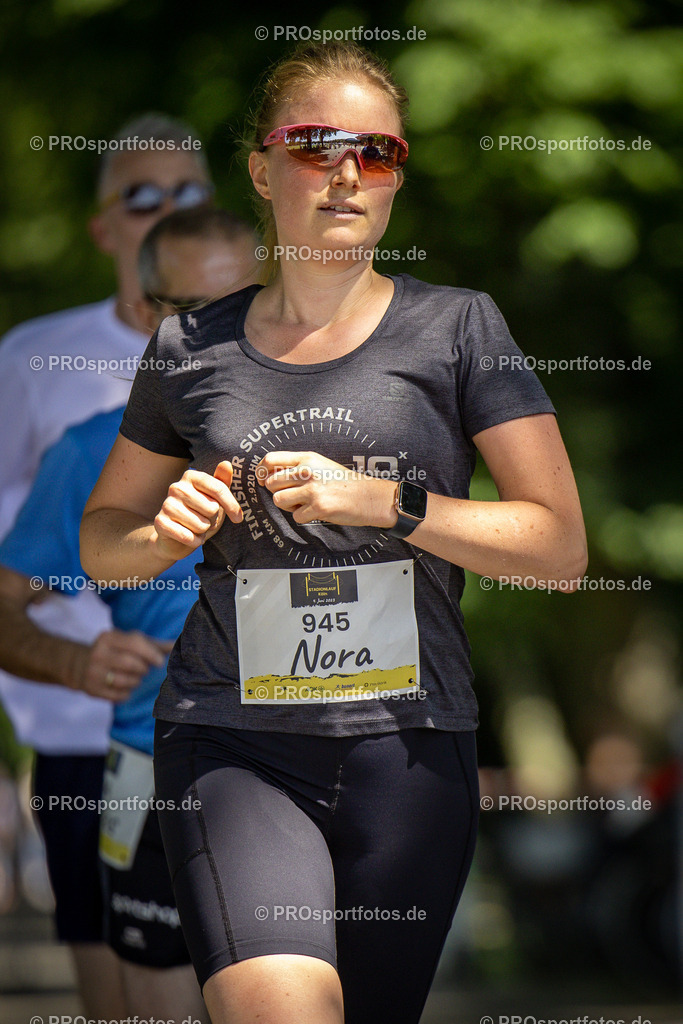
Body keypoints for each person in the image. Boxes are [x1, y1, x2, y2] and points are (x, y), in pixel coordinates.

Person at [80, 42, 588, 1024]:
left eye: (379, 151)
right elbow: (104, 536)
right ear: (263, 171)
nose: (349, 171)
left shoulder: (457, 327)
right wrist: (157, 536)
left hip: (409, 748)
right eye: (317, 145)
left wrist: (387, 505)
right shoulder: (189, 346)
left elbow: (559, 548)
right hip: (230, 739)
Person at [0, 206, 259, 1018]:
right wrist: (75, 662)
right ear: (149, 316)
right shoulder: (91, 452)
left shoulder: (341, 432)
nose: (226, 333)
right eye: (194, 311)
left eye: (247, 303)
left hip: (312, 756)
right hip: (153, 767)